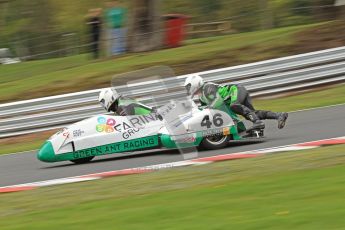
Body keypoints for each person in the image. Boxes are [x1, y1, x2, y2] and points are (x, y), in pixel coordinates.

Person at [184, 75, 288, 130]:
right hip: (233, 96)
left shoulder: (207, 87)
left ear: (195, 83)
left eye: (189, 86)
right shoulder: (202, 97)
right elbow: (207, 112)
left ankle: (258, 123)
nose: (188, 89)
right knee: (251, 114)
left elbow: (217, 102)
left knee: (234, 106)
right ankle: (279, 115)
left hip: (236, 90)